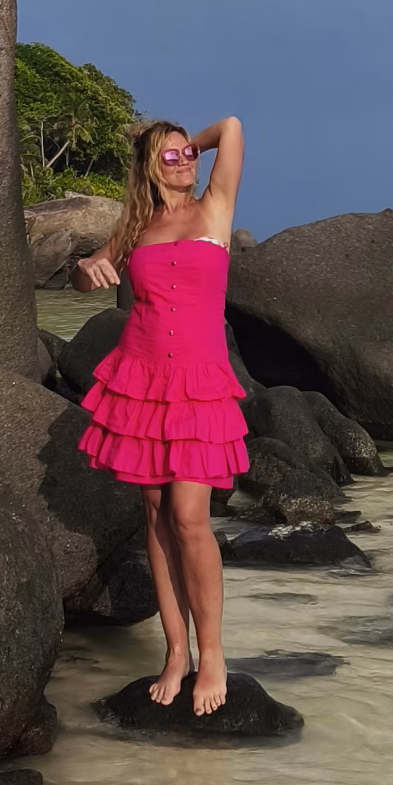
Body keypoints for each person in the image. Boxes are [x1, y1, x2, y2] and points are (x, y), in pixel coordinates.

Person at [72, 116, 247, 715]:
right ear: (148, 167)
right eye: (169, 158)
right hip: (142, 378)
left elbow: (232, 127)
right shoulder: (135, 228)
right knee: (154, 514)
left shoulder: (215, 207)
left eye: (187, 155)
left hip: (198, 383)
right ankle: (176, 653)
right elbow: (86, 279)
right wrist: (85, 271)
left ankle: (213, 655)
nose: (184, 163)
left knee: (190, 517)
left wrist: (184, 145)